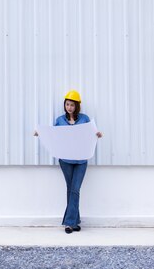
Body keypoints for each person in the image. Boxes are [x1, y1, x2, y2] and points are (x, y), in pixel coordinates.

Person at [55, 90, 103, 234]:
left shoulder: (84, 119)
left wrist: (97, 134)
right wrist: (41, 133)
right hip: (66, 160)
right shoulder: (59, 120)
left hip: (81, 160)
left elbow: (90, 133)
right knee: (71, 190)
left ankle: (69, 223)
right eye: (67, 104)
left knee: (75, 190)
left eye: (72, 105)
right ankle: (73, 223)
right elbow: (54, 136)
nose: (69, 107)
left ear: (77, 106)